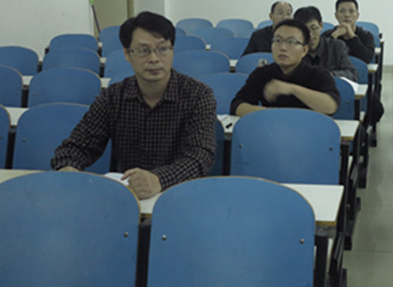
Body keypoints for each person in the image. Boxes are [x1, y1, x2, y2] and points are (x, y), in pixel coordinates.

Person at [51, 12, 217, 200]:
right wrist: (68, 168)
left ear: (172, 51)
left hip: (181, 197)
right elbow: (76, 147)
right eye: (143, 50)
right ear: (127, 54)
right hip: (128, 197)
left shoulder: (198, 95)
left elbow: (201, 155)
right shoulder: (113, 97)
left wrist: (158, 179)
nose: (154, 58)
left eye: (162, 49)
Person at [230, 19, 339, 116]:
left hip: (306, 129)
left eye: (291, 42)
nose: (282, 47)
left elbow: (331, 107)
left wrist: (292, 89)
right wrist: (267, 113)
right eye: (278, 40)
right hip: (272, 127)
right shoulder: (262, 74)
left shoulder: (318, 74)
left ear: (304, 50)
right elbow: (237, 105)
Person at [294, 6, 358, 81]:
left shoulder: (337, 47)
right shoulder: (293, 50)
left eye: (313, 28)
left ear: (321, 25)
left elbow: (351, 74)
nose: (310, 34)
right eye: (304, 30)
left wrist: (331, 75)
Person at [323, 0, 375, 64]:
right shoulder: (327, 35)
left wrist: (352, 36)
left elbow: (367, 58)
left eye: (351, 11)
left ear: (357, 15)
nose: (347, 15)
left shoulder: (366, 35)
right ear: (336, 15)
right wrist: (334, 36)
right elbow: (320, 57)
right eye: (342, 11)